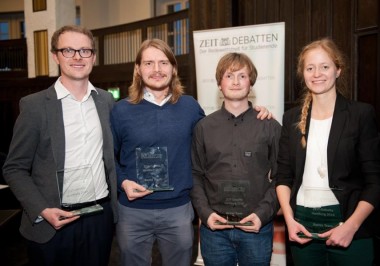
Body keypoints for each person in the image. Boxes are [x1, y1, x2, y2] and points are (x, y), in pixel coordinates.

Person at [111, 39, 272, 266]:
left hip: (178, 210)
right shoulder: (120, 111)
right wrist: (123, 182)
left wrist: (253, 113)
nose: (157, 70)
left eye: (163, 63)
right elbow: (109, 158)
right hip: (133, 212)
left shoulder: (189, 107)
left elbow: (220, 136)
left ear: (174, 68)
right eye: (148, 63)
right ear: (138, 69)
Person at [2, 25, 118, 266]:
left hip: (99, 217)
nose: (77, 57)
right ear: (56, 55)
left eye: (85, 50)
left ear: (94, 57)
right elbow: (14, 168)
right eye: (68, 50)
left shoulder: (106, 101)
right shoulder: (34, 106)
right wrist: (42, 209)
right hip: (54, 220)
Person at [275, 37, 380, 265]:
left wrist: (351, 227)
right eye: (310, 68)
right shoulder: (291, 118)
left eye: (325, 67)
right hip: (302, 229)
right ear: (303, 74)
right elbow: (283, 177)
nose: (317, 74)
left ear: (338, 70)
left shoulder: (360, 115)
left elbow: (375, 182)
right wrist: (289, 220)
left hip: (350, 231)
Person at [190, 52, 281, 266]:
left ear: (251, 83)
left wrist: (262, 214)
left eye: (242, 76)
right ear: (219, 84)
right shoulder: (203, 128)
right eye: (229, 76)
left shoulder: (270, 126)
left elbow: (283, 177)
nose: (236, 82)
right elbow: (195, 174)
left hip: (256, 228)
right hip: (215, 230)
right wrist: (205, 213)